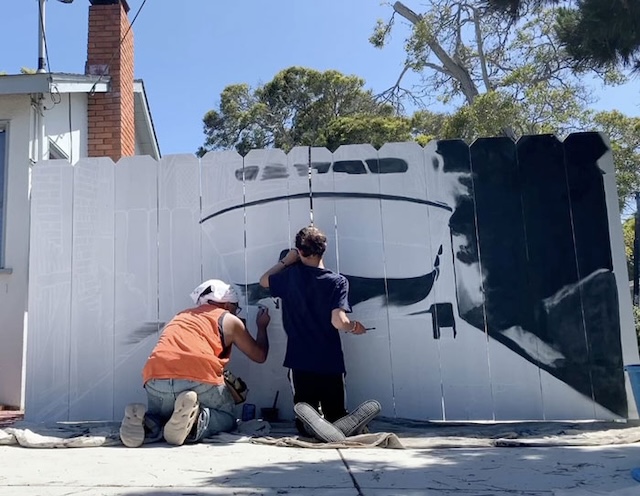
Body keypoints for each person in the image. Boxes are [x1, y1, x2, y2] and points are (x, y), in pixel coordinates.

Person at [259, 225, 380, 441]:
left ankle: (311, 426)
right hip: (329, 360)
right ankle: (340, 426)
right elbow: (338, 321)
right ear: (323, 249)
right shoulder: (337, 281)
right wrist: (354, 327)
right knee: (335, 414)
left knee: (305, 416)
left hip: (300, 360)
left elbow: (264, 280)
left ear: (299, 251)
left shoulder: (290, 277)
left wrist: (287, 260)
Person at [119, 279, 270, 448]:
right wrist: (262, 327)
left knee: (164, 417)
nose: (236, 312)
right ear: (227, 305)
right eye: (235, 308)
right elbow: (259, 355)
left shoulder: (181, 316)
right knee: (227, 417)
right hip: (197, 378)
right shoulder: (228, 319)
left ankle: (146, 422)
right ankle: (197, 422)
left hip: (155, 379)